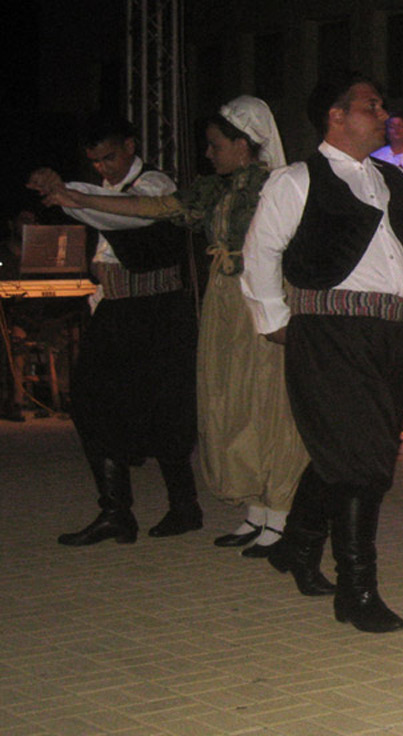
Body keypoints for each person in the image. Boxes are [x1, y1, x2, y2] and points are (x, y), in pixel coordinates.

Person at [239, 72, 403, 632]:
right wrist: (272, 319)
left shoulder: (396, 179)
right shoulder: (296, 180)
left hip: (389, 333)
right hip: (331, 331)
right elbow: (260, 251)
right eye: (370, 104)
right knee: (363, 460)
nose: (382, 111)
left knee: (353, 451)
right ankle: (357, 589)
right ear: (335, 116)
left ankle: (297, 546)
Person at [39, 97, 307, 557]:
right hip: (224, 301)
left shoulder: (276, 186)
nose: (208, 153)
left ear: (243, 145)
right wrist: (74, 196)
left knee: (266, 403)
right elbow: (157, 208)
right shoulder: (216, 189)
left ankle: (280, 513)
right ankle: (256, 511)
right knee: (229, 401)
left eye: (215, 145)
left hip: (259, 296)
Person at [29, 115, 199, 546]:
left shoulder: (156, 184)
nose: (103, 168)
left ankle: (184, 506)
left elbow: (132, 219)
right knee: (90, 401)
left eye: (109, 157)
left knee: (165, 405)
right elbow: (92, 200)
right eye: (95, 162)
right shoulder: (99, 190)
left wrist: (69, 194)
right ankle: (116, 512)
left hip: (158, 310)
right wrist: (64, 190)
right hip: (117, 309)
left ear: (130, 145)